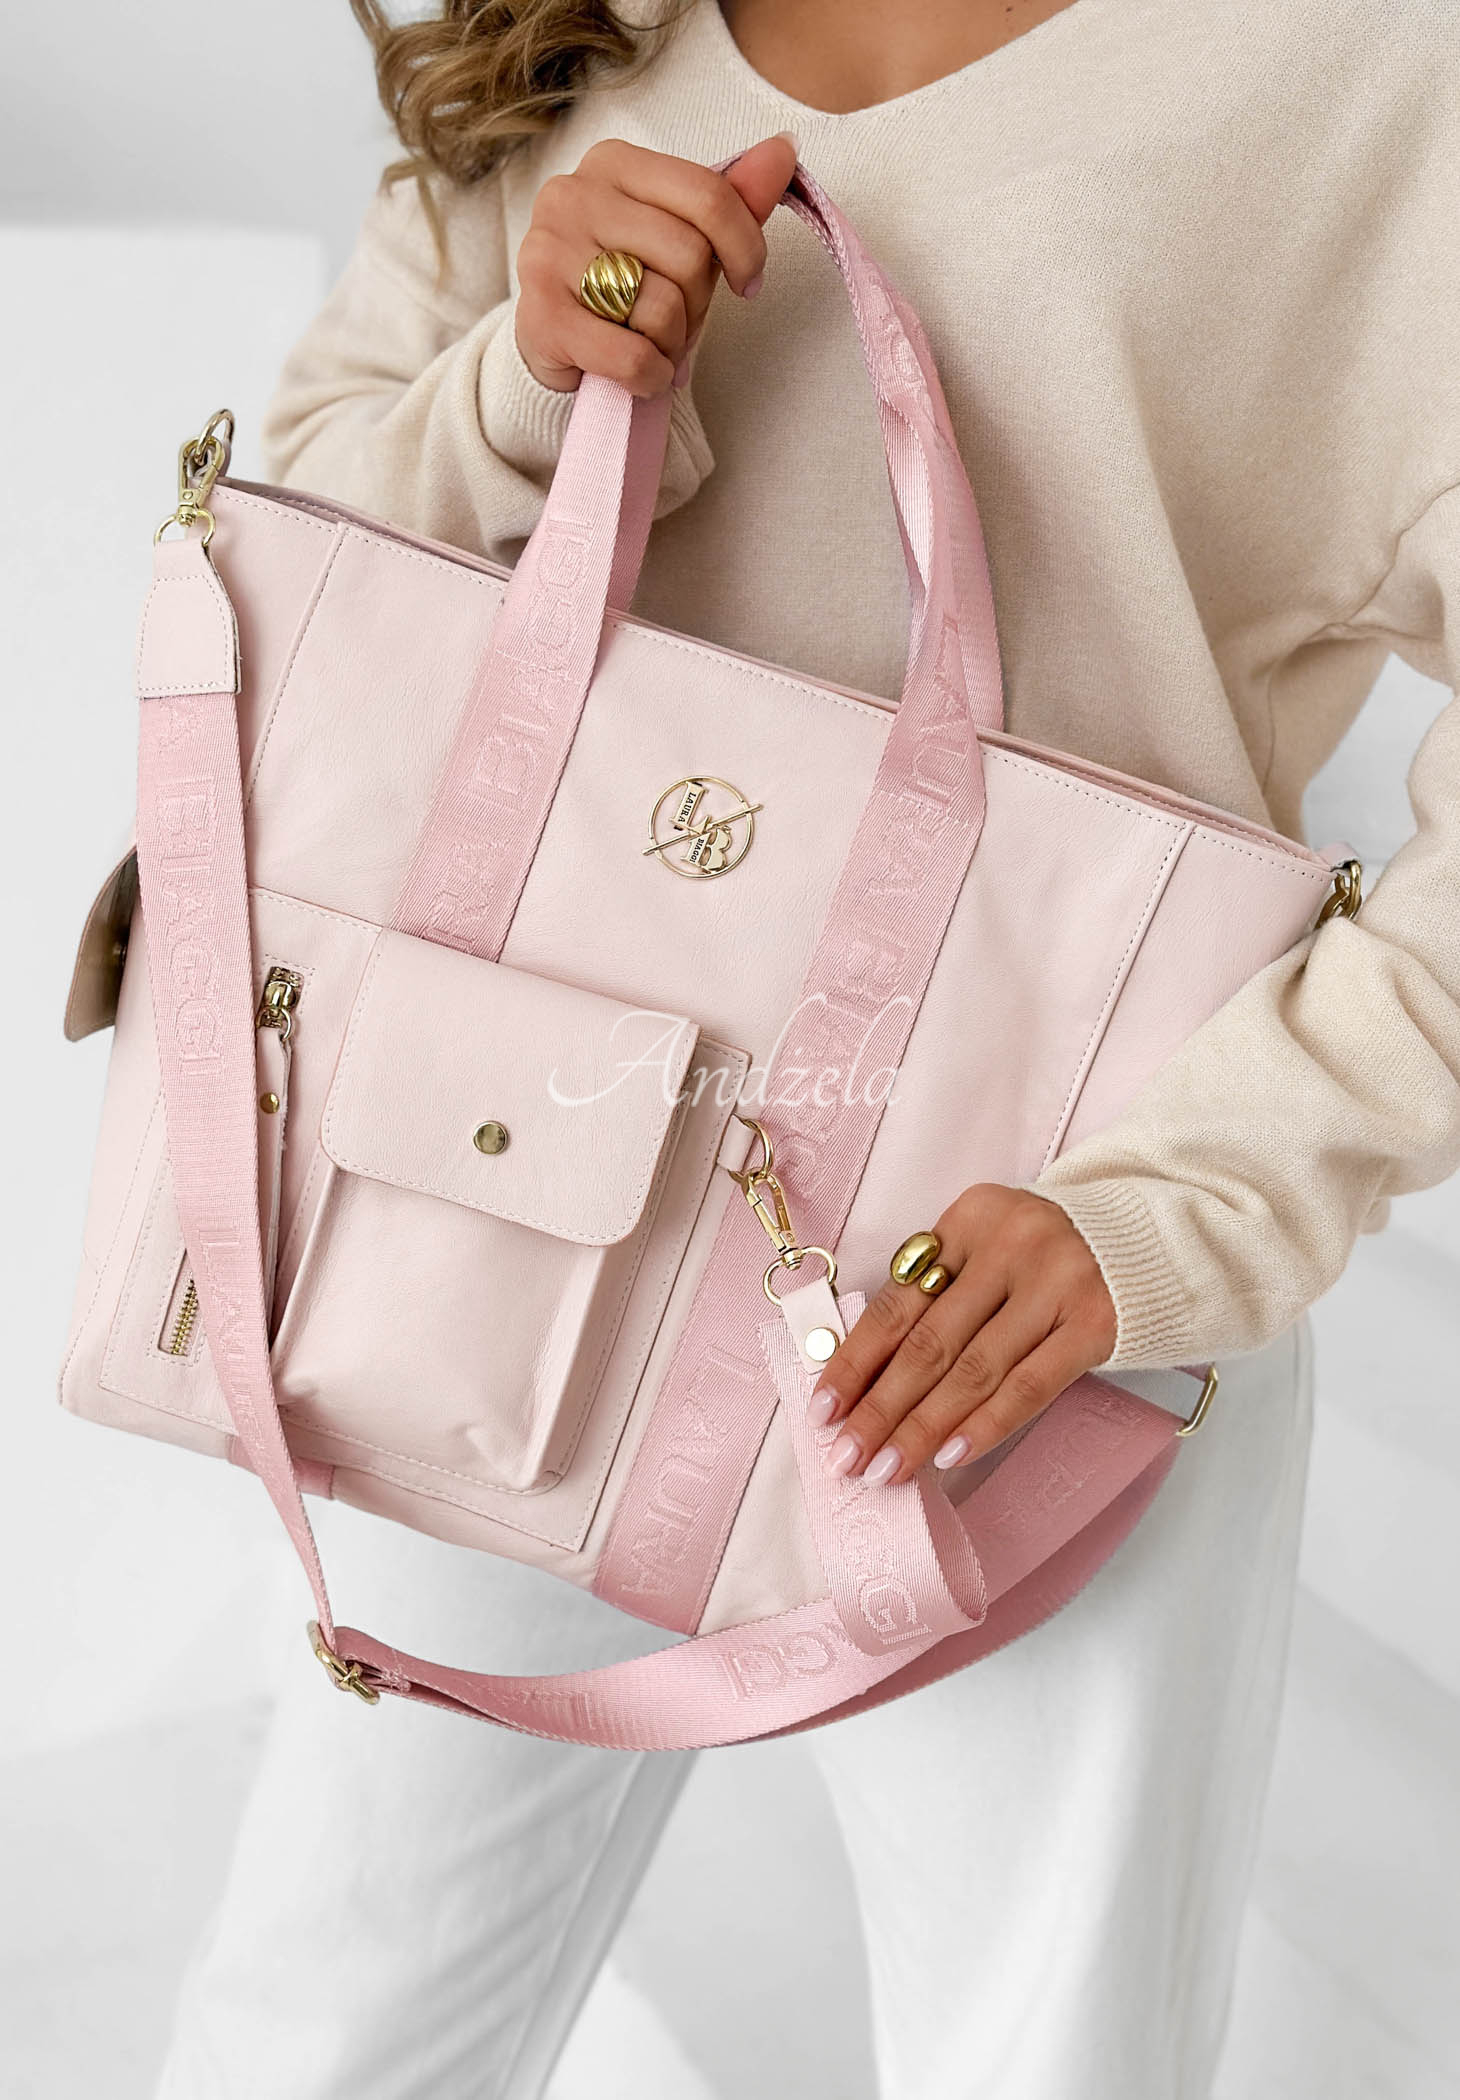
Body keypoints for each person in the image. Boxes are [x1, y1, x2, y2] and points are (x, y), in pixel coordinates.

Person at [154, 1, 1460, 2094]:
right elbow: (279, 583)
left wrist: (1178, 1208)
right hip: (488, 1202)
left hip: (1010, 1308)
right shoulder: (572, 22)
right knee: (321, 2029)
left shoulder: (1386, 77)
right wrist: (521, 391)